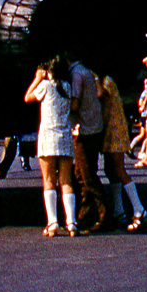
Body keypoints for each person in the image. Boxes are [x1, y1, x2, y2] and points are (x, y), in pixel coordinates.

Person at [25, 57, 78, 237]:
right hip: (65, 136)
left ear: (49, 72)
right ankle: (71, 222)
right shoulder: (68, 87)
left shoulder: (45, 87)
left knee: (49, 180)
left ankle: (53, 222)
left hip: (48, 136)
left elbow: (27, 97)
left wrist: (37, 78)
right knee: (66, 181)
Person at [98, 75, 147, 231]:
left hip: (114, 130)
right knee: (110, 170)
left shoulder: (105, 81)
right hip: (111, 129)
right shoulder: (107, 80)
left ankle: (139, 209)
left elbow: (99, 95)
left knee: (119, 170)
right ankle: (119, 210)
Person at [67, 54, 107, 232]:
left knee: (87, 176)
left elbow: (74, 104)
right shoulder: (87, 72)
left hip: (83, 130)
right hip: (94, 127)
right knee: (81, 175)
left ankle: (104, 214)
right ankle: (84, 214)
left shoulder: (76, 74)